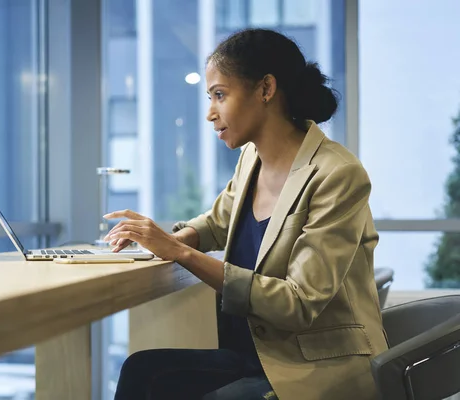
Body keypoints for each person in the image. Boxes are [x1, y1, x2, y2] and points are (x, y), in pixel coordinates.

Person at [103, 28, 388, 400]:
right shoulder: (251, 157)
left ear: (266, 89)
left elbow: (298, 303)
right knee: (142, 371)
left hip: (314, 368)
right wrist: (173, 239)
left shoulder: (337, 174)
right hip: (257, 355)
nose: (210, 113)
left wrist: (182, 255)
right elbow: (220, 220)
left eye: (220, 95)